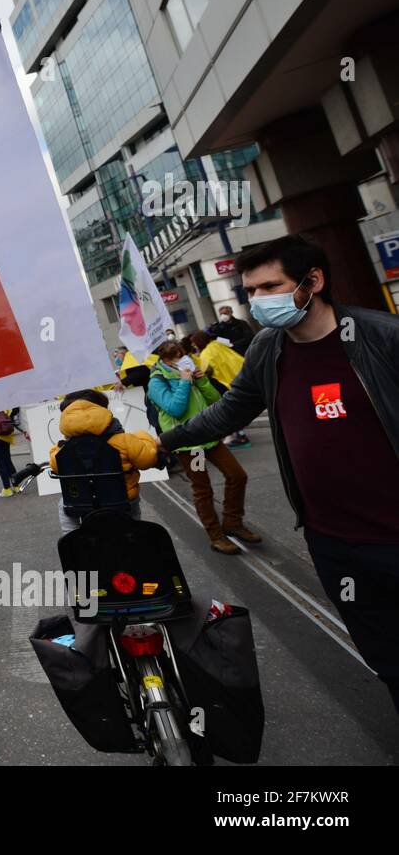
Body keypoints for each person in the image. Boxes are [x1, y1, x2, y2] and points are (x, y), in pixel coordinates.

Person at [159, 235, 399, 713]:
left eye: (271, 286)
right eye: (251, 291)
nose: (259, 301)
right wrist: (162, 444)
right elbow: (227, 413)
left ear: (313, 282)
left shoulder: (382, 337)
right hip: (333, 544)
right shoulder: (269, 348)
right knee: (387, 658)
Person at [149, 340, 255, 555]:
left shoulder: (189, 371)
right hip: (190, 445)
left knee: (237, 475)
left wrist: (203, 381)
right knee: (202, 487)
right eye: (177, 357)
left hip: (209, 436)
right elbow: (175, 409)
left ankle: (233, 522)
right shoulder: (157, 381)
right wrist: (185, 382)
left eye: (183, 355)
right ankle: (216, 536)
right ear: (165, 360)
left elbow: (216, 401)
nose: (183, 360)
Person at [49, 390, 159, 533]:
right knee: (132, 518)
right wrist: (143, 437)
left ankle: (71, 535)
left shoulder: (63, 449)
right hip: (122, 501)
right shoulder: (125, 440)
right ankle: (133, 532)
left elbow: (55, 466)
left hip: (82, 503)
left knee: (64, 503)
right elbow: (147, 460)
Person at [189, 330, 251, 448]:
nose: (194, 346)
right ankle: (237, 436)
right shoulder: (217, 345)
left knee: (229, 413)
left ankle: (241, 437)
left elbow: (205, 370)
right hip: (236, 380)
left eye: (194, 343)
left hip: (223, 385)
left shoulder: (206, 353)